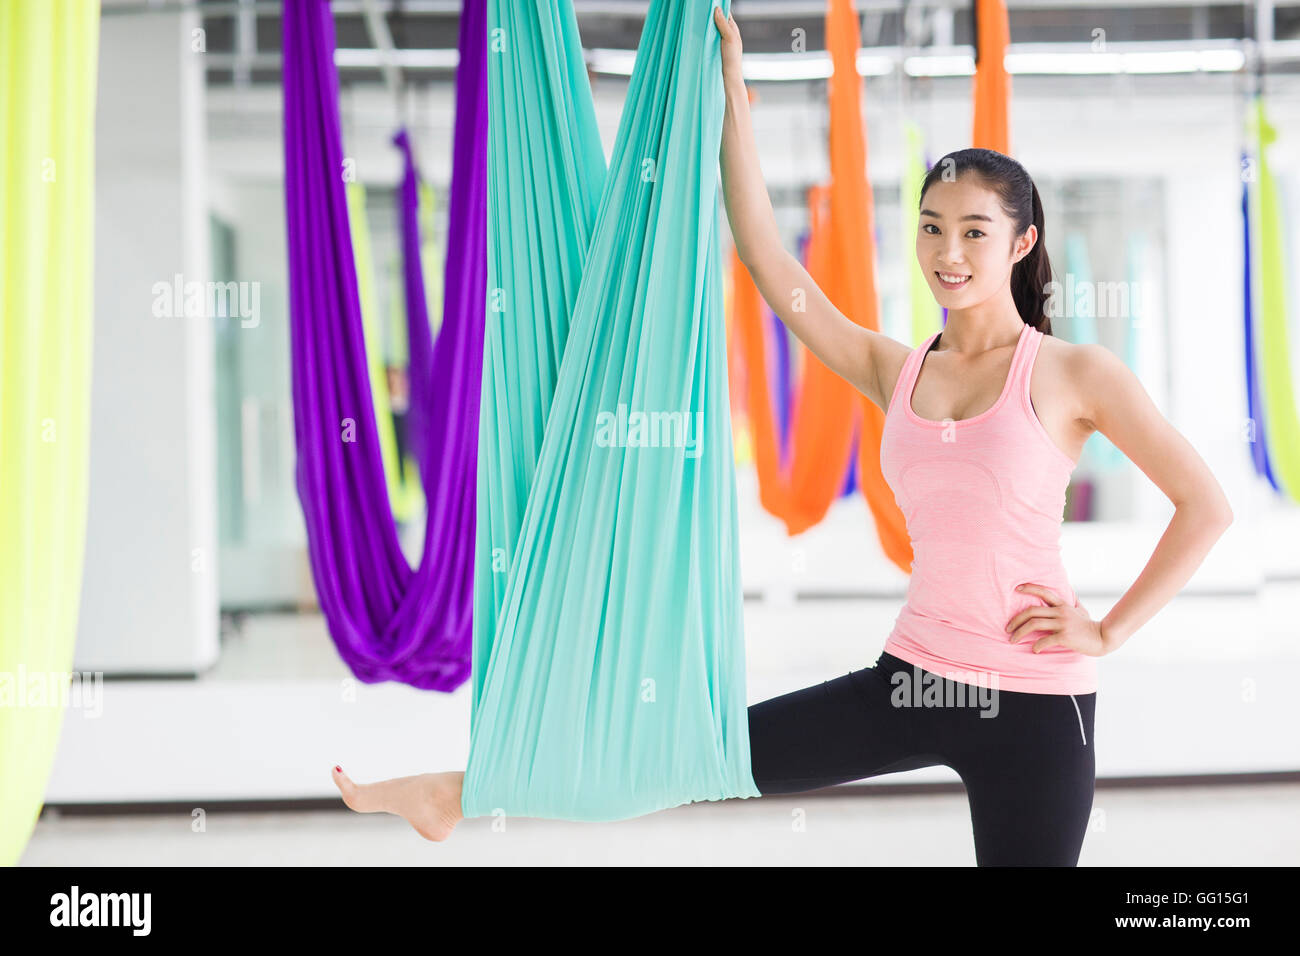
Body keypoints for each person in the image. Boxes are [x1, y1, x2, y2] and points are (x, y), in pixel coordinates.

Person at [329, 7, 1234, 864]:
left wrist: (1107, 632)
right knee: (689, 756)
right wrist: (726, 95)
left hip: (1037, 705)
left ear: (1023, 242)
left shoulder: (1074, 373)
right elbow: (768, 261)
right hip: (913, 679)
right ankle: (453, 795)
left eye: (974, 231)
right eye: (930, 228)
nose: (947, 253)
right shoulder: (896, 368)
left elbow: (1205, 506)